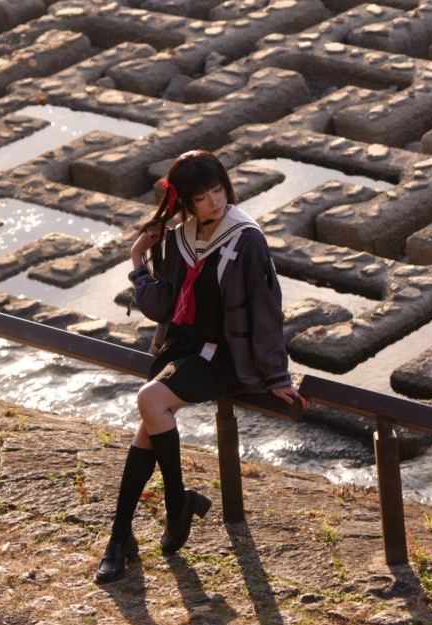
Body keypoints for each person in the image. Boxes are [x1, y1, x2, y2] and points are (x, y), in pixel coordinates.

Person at [95, 148, 303, 585]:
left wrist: (277, 376)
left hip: (227, 356)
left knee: (150, 399)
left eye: (218, 189)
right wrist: (138, 260)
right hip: (186, 349)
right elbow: (162, 306)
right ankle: (122, 535)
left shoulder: (246, 238)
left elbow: (266, 311)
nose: (215, 201)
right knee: (149, 425)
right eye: (203, 196)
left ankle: (172, 507)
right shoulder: (178, 236)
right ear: (185, 202)